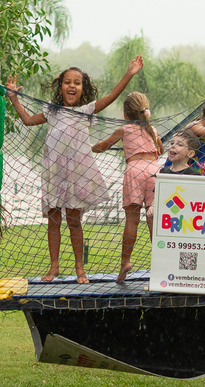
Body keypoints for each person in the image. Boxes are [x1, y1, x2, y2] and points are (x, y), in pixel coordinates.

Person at [6, 58, 144, 284]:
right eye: (68, 82)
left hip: (76, 175)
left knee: (73, 221)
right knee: (53, 220)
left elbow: (111, 97)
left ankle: (80, 269)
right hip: (54, 174)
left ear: (83, 88)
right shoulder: (52, 110)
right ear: (60, 86)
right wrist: (14, 99)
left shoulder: (86, 110)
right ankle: (54, 267)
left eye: (77, 83)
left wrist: (129, 74)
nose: (72, 86)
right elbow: (29, 120)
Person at [91, 92, 163, 281]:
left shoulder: (124, 130)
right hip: (154, 172)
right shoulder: (153, 130)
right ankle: (161, 264)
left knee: (132, 221)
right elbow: (161, 150)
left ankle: (125, 263)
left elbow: (102, 146)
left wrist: (88, 146)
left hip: (134, 172)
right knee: (153, 220)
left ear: (125, 113)